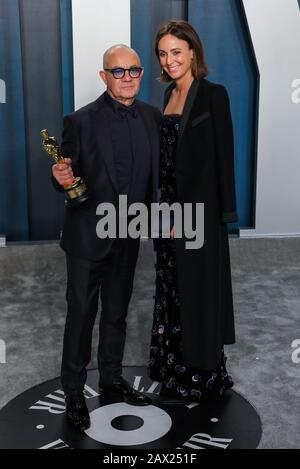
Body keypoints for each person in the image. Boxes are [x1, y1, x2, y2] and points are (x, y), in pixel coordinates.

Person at [52, 45, 161, 430]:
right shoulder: (79, 121)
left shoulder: (153, 117)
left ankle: (112, 380)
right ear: (104, 76)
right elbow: (65, 170)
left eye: (134, 69)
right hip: (87, 237)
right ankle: (74, 392)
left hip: (128, 233)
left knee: (116, 313)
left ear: (142, 73)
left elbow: (158, 177)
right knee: (81, 315)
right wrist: (61, 177)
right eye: (118, 71)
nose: (127, 76)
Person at [149, 21, 238, 401]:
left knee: (199, 291)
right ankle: (173, 369)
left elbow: (224, 156)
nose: (170, 61)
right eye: (163, 54)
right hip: (168, 211)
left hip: (201, 213)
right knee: (173, 289)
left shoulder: (214, 95)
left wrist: (226, 215)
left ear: (193, 53)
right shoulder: (168, 95)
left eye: (176, 52)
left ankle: (202, 374)